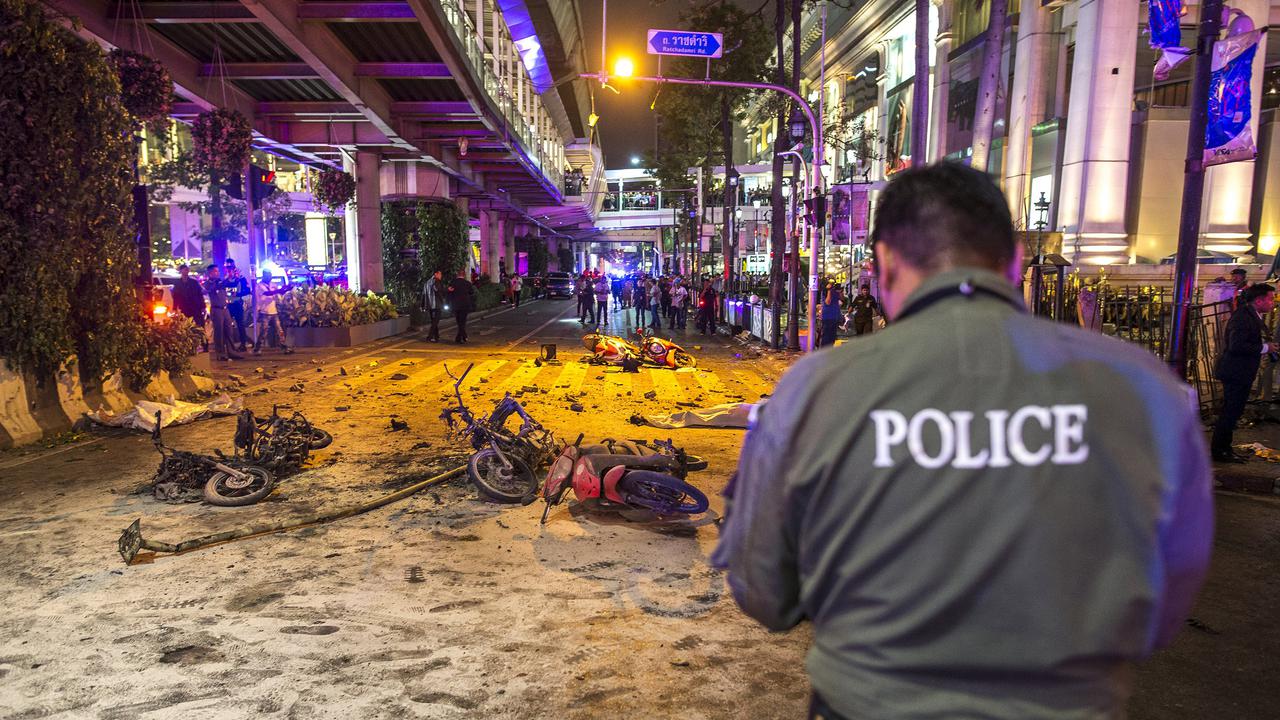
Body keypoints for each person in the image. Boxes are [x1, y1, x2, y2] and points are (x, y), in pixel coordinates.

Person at [712, 162, 1212, 720]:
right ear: (1015, 262)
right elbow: (1168, 596)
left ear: (884, 264)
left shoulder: (818, 387)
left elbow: (764, 592)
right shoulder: (1143, 387)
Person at [1212, 282, 1276, 462]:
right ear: (1259, 300)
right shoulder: (1243, 317)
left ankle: (1225, 448)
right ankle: (1220, 451)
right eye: (1270, 299)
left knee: (1233, 411)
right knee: (1230, 412)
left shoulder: (1252, 315)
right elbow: (1236, 345)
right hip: (1235, 372)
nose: (1273, 303)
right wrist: (1265, 347)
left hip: (1241, 372)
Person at [204, 265, 241, 361]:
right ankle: (220, 353)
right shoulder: (208, 283)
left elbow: (229, 285)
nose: (217, 273)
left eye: (217, 271)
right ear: (210, 273)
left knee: (229, 331)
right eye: (215, 271)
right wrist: (224, 280)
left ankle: (232, 352)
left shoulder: (221, 281)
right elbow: (212, 288)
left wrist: (234, 276)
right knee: (219, 332)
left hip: (225, 309)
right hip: (216, 310)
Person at [251, 270, 289, 355]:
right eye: (268, 275)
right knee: (263, 331)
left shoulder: (273, 285)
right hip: (264, 311)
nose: (270, 277)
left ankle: (284, 347)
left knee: (279, 330)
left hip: (273, 311)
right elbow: (267, 293)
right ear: (264, 276)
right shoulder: (259, 286)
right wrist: (278, 291)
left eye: (270, 275)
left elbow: (277, 294)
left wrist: (285, 289)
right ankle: (257, 349)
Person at [171, 264, 207, 352]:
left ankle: (204, 345)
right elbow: (176, 297)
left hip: (195, 308)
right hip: (185, 308)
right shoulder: (178, 284)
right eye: (184, 270)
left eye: (187, 270)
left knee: (199, 326)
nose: (185, 272)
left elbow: (200, 295)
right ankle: (190, 346)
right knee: (187, 328)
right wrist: (175, 308)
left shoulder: (194, 283)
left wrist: (203, 306)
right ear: (181, 271)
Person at [222, 258, 251, 352]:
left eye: (231, 267)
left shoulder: (241, 278)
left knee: (240, 325)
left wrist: (238, 294)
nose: (229, 270)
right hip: (228, 305)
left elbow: (247, 290)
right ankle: (228, 345)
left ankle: (243, 344)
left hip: (237, 304)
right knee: (226, 325)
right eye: (227, 268)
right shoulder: (224, 279)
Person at [446, 269, 476, 344]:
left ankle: (459, 338)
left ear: (457, 274)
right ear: (464, 275)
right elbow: (472, 292)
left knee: (459, 321)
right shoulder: (467, 283)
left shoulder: (453, 283)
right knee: (462, 321)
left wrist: (448, 302)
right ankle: (463, 335)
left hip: (455, 305)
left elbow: (449, 293)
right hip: (465, 305)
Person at [423, 269, 445, 343]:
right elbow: (437, 290)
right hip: (436, 304)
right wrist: (442, 300)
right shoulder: (436, 281)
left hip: (429, 305)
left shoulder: (427, 282)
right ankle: (430, 336)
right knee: (436, 321)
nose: (441, 276)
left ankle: (436, 337)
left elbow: (424, 294)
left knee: (434, 321)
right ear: (435, 274)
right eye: (440, 274)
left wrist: (423, 305)